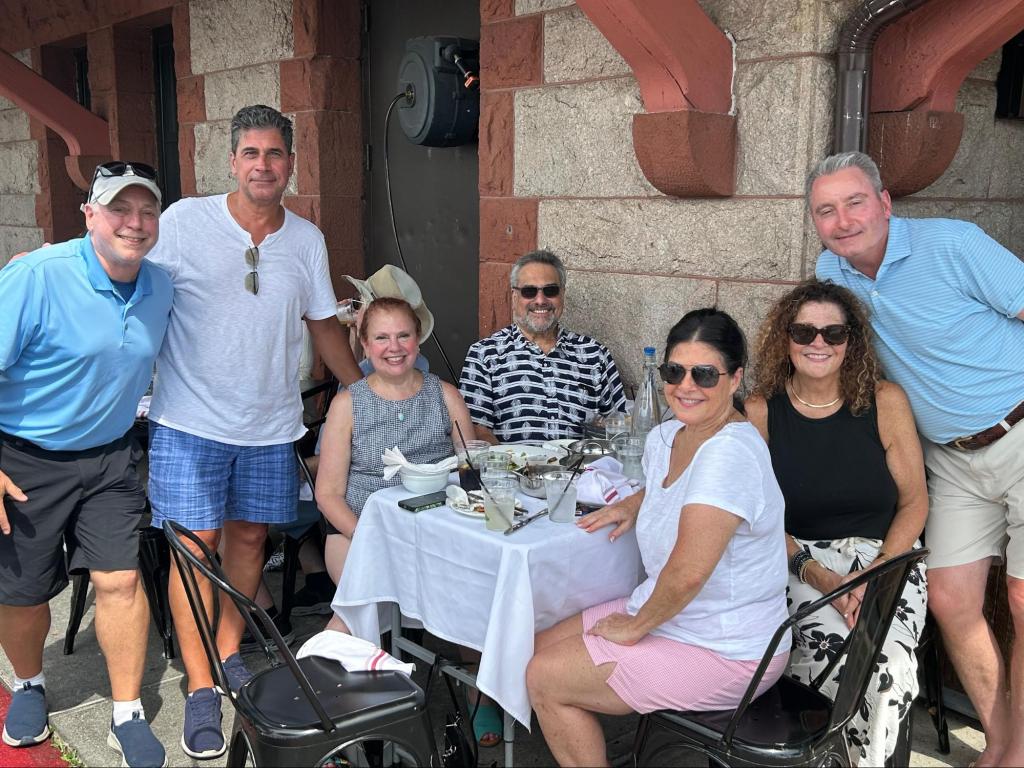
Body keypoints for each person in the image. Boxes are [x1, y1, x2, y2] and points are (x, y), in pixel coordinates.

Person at [144, 105, 362, 760]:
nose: (262, 165)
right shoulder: (184, 221)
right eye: (251, 153)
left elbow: (322, 323)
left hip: (268, 425)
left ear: (290, 163)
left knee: (247, 542)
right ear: (232, 161)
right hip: (189, 421)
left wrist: (363, 392)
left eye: (274, 154)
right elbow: (124, 270)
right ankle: (200, 685)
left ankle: (229, 651)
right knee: (195, 550)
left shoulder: (307, 239)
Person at [808, 151, 1024, 768]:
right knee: (951, 601)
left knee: (1021, 598)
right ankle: (1000, 740)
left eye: (855, 202)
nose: (843, 221)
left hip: (1019, 427)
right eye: (826, 210)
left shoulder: (954, 244)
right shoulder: (832, 270)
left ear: (884, 203)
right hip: (950, 459)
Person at [526, 308, 790, 767]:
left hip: (728, 647)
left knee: (544, 676)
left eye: (704, 374)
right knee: (534, 645)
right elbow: (677, 488)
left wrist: (634, 627)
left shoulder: (731, 452)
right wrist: (635, 502)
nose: (686, 386)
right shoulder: (667, 437)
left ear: (735, 379)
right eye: (675, 371)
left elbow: (687, 573)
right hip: (674, 613)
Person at [0, 163, 171, 768]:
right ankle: (29, 684)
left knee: (120, 581)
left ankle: (127, 713)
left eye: (147, 211)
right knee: (24, 592)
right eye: (119, 209)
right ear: (89, 214)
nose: (134, 223)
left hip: (110, 458)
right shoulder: (36, 277)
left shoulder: (160, 285)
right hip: (25, 459)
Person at [745, 278, 928, 765]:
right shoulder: (761, 410)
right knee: (833, 656)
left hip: (884, 556)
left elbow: (915, 503)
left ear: (852, 341)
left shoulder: (885, 400)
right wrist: (821, 576)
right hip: (796, 558)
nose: (818, 343)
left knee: (884, 664)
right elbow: (759, 517)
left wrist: (873, 574)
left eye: (834, 333)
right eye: (804, 332)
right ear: (785, 338)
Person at [315, 296, 474, 593]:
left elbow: (471, 474)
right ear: (365, 344)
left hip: (437, 529)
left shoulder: (447, 396)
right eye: (381, 338)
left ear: (418, 339)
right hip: (359, 528)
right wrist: (368, 536)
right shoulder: (347, 405)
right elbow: (328, 494)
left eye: (403, 335)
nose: (394, 347)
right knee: (365, 602)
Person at [459, 249, 627, 443]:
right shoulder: (484, 355)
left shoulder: (595, 355)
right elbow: (477, 432)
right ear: (514, 297)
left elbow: (620, 426)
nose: (540, 300)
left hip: (583, 462)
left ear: (562, 295)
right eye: (529, 291)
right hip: (511, 463)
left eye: (550, 290)